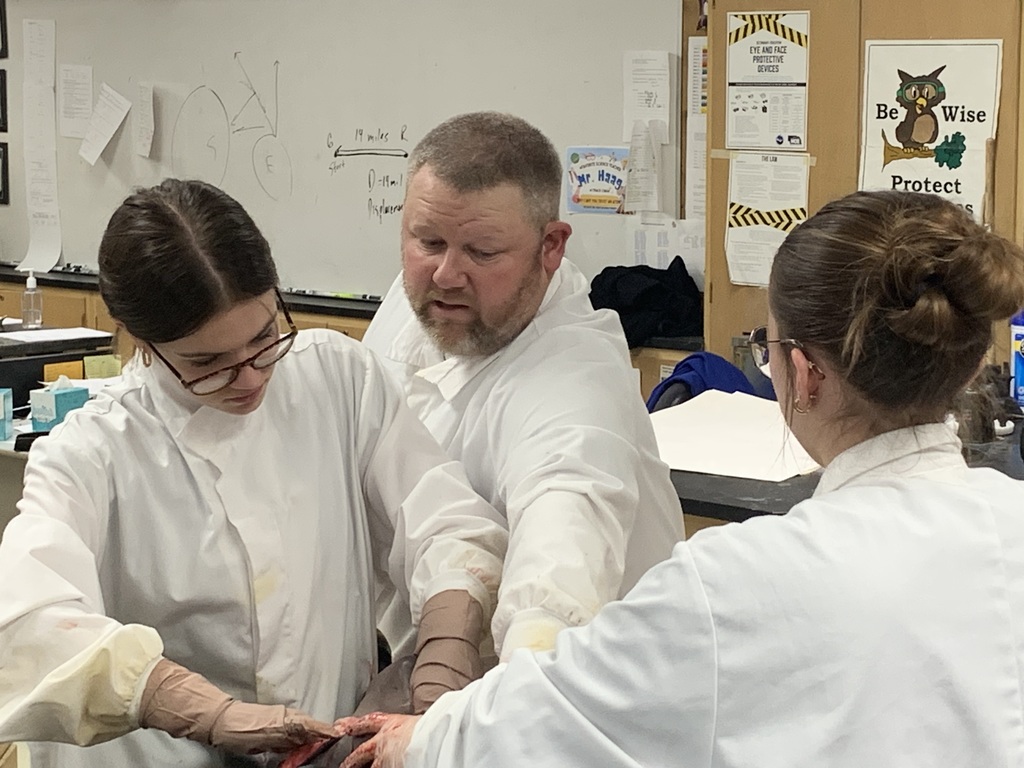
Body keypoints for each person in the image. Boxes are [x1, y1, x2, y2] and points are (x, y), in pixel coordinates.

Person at [336, 189, 1024, 768]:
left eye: (768, 346)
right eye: (431, 245)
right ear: (965, 368)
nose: (450, 274)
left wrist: (425, 736)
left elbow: (549, 718)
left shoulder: (738, 581)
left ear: (804, 375)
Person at [0, 179, 509, 768]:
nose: (248, 379)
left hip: (328, 750)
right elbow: (29, 622)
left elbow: (447, 525)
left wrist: (439, 676)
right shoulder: (91, 453)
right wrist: (206, 713)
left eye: (265, 336)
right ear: (139, 341)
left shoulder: (336, 379)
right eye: (206, 363)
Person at [362, 112, 684, 663]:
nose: (445, 274)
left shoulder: (575, 385)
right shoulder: (429, 294)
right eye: (427, 241)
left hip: (563, 701)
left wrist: (533, 646)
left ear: (551, 246)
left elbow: (561, 555)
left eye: (483, 253)